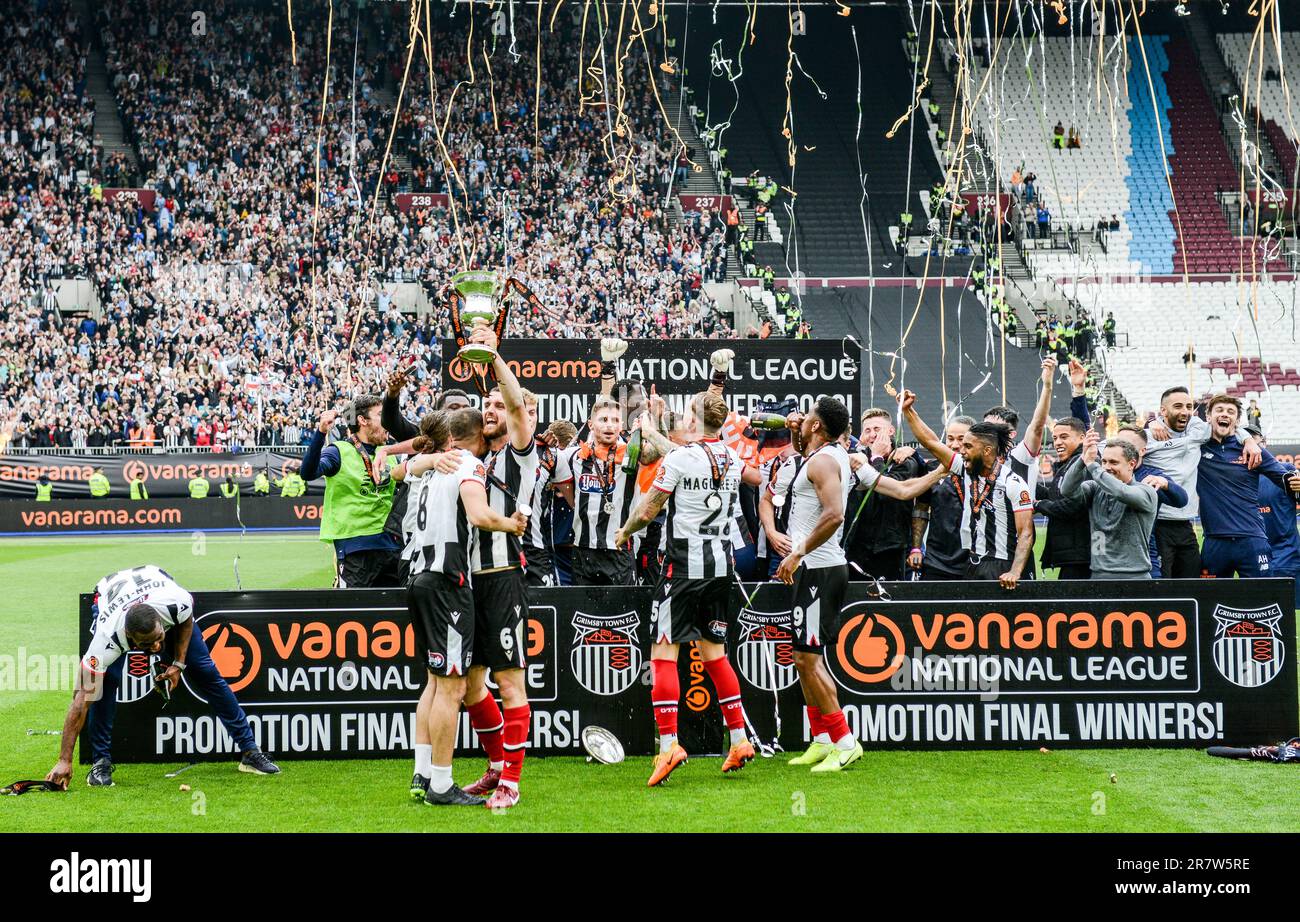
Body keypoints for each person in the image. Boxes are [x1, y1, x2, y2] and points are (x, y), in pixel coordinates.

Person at [778, 397, 942, 772]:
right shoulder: (844, 458)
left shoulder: (823, 461)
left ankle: (845, 741)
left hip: (818, 569)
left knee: (807, 658)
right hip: (817, 569)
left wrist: (796, 552)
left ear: (818, 426)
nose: (802, 422)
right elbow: (902, 491)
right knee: (805, 659)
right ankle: (821, 739)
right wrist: (941, 471)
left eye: (808, 420)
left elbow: (835, 515)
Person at [614, 391, 762, 785]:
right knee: (715, 654)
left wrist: (624, 531)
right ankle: (738, 739)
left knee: (663, 653)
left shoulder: (680, 457)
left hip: (679, 569)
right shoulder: (731, 458)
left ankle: (668, 746)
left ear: (695, 422)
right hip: (719, 567)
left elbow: (649, 509)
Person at [45, 565, 280, 788]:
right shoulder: (106, 639)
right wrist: (64, 760)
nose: (157, 647)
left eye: (160, 637)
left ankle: (250, 751)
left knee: (206, 672)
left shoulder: (176, 603)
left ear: (162, 622)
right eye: (147, 644)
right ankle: (101, 764)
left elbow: (186, 620)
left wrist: (178, 663)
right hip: (109, 593)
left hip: (154, 581)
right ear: (130, 637)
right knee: (102, 686)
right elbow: (80, 700)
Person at [399, 408, 527, 807]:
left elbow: (393, 471)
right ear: (473, 439)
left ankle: (423, 773)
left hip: (418, 576)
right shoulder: (467, 463)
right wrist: (511, 524)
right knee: (452, 686)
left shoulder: (432, 466)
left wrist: (425, 458)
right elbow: (477, 514)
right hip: (448, 582)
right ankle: (441, 783)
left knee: (436, 683)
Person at [452, 328, 539, 810]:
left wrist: (494, 356)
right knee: (469, 686)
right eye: (485, 405)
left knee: (509, 683)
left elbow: (518, 406)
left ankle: (512, 781)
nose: (491, 411)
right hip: (467, 585)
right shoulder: (469, 458)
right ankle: (494, 767)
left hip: (503, 581)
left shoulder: (518, 455)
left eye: (498, 406)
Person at [903, 394, 1035, 588]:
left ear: (987, 450)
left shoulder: (1013, 483)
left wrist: (1015, 571)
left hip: (1002, 565)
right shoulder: (965, 469)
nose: (960, 450)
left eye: (967, 446)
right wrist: (908, 411)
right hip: (973, 564)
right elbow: (931, 442)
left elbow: (1026, 534)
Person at [1158, 395, 1296, 579]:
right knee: (1210, 603)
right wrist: (1154, 422)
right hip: (1215, 542)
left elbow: (1284, 478)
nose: (1225, 414)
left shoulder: (1253, 450)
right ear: (1208, 416)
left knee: (1262, 600)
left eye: (1230, 412)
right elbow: (1170, 426)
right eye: (1219, 410)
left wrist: (1295, 483)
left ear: (1237, 420)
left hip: (1252, 539)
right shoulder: (1197, 448)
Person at [1143, 387, 1261, 577]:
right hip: (1157, 524)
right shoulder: (1147, 437)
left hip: (1186, 525)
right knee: (1161, 586)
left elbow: (1228, 425)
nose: (1185, 411)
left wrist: (1249, 439)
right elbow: (1121, 446)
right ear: (1163, 410)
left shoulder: (1197, 430)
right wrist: (1151, 423)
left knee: (1193, 585)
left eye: (1189, 406)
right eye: (1178, 406)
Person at [301, 395, 400, 588]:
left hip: (392, 546)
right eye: (381, 415)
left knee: (395, 614)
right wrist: (321, 432)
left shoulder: (389, 453)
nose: (388, 421)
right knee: (354, 614)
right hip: (355, 548)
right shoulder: (338, 451)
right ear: (363, 420)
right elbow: (308, 473)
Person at [1059, 431, 1158, 580]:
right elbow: (1066, 490)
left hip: (1135, 577)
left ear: (1132, 464)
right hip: (1099, 576)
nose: (1106, 467)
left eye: (1113, 462)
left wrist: (1093, 466)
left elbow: (1121, 492)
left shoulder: (1146, 492)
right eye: (1104, 461)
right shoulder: (1094, 489)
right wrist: (1082, 459)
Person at [844, 408, 924, 581]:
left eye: (877, 429)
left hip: (889, 548)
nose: (872, 434)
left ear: (891, 431)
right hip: (856, 547)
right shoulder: (856, 458)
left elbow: (888, 493)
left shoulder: (905, 461)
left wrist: (877, 458)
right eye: (867, 430)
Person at [909, 416, 975, 580]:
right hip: (936, 559)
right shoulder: (932, 468)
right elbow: (921, 508)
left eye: (961, 439)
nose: (954, 444)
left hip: (973, 558)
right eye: (950, 438)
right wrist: (916, 548)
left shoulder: (981, 471)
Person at [1246, 426, 1300, 607]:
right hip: (1252, 556)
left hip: (1285, 553)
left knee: (1289, 612)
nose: (1252, 446)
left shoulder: (1285, 470)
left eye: (1256, 441)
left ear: (1264, 443)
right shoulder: (1236, 475)